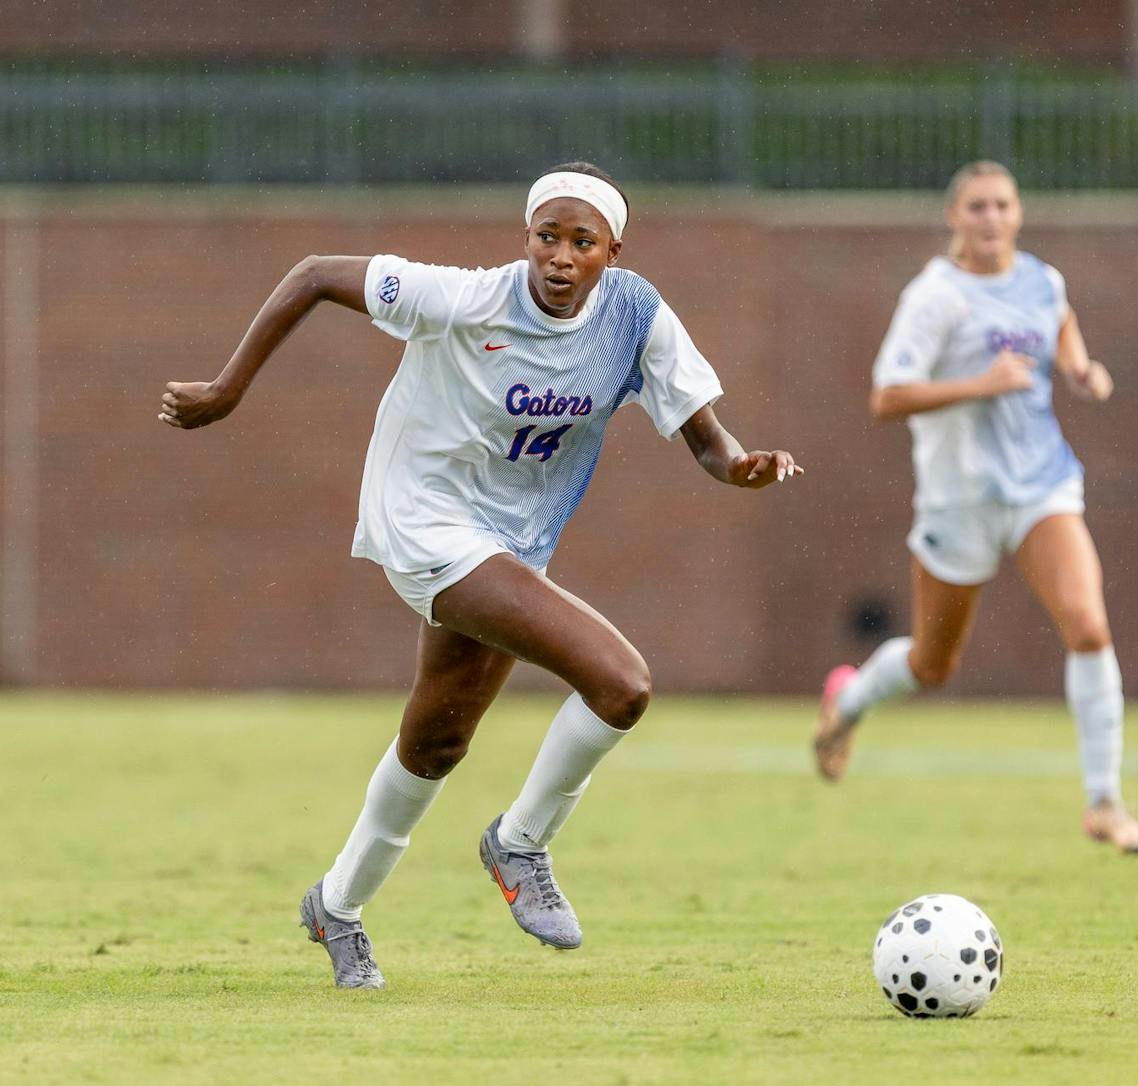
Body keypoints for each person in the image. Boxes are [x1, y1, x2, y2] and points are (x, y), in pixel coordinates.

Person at [159, 162, 803, 988]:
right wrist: (225, 389)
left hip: (511, 542)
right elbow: (315, 274)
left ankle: (337, 907)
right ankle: (520, 843)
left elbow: (708, 440)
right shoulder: (465, 297)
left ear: (614, 250)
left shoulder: (635, 315)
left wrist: (741, 466)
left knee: (437, 740)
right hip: (422, 518)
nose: (561, 257)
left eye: (582, 242)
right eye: (547, 236)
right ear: (525, 238)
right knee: (621, 683)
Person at [812, 161, 1138, 855]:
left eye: (1003, 204)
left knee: (1089, 626)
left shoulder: (1042, 278)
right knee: (931, 666)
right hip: (958, 498)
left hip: (1041, 485)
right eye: (977, 206)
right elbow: (887, 396)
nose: (992, 218)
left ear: (1019, 212)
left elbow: (1059, 321)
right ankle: (847, 703)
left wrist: (1080, 368)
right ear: (955, 218)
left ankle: (1105, 803)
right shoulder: (936, 296)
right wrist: (980, 383)